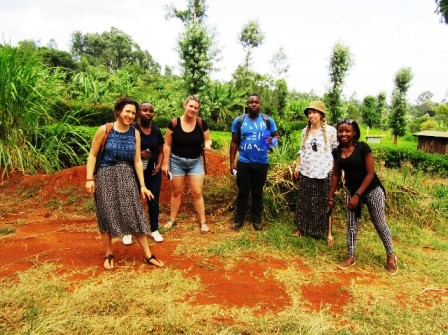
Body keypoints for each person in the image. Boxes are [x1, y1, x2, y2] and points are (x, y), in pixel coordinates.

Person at [85, 97, 164, 270]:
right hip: (105, 176)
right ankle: (109, 253)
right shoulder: (105, 129)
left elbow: (136, 160)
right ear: (119, 111)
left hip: (127, 176)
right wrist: (89, 179)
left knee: (134, 213)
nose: (130, 115)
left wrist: (142, 185)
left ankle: (148, 255)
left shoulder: (134, 133)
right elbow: (92, 155)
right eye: (127, 111)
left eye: (133, 113)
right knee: (105, 214)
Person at [329, 119, 398, 275]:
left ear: (354, 132)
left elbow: (370, 174)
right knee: (351, 225)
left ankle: (391, 256)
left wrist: (358, 195)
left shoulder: (363, 148)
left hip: (372, 189)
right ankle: (351, 256)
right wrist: (330, 196)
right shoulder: (337, 151)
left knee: (379, 223)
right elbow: (335, 175)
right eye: (341, 131)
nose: (344, 134)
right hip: (352, 191)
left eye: (347, 131)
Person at [161, 95, 212, 233]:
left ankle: (203, 222)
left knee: (197, 192)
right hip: (176, 161)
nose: (193, 109)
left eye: (196, 108)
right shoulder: (174, 123)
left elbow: (208, 139)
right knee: (176, 192)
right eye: (191, 106)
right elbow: (167, 145)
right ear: (185, 105)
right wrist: (165, 164)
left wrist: (207, 144)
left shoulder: (201, 123)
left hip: (195, 162)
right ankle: (172, 220)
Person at [229, 94, 279, 231]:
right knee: (243, 192)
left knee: (257, 192)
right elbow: (234, 142)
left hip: (261, 163)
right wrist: (232, 163)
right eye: (251, 102)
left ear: (260, 104)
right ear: (247, 104)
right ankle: (239, 220)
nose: (254, 104)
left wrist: (272, 141)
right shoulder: (239, 121)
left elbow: (275, 137)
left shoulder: (267, 121)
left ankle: (257, 220)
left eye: (256, 102)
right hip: (244, 162)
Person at [293, 101, 338, 244]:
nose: (311, 115)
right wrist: (297, 166)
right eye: (309, 113)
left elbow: (336, 151)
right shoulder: (304, 131)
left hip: (324, 171)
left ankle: (328, 233)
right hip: (306, 170)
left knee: (325, 202)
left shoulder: (331, 131)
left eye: (314, 112)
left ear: (321, 115)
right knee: (304, 201)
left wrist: (339, 170)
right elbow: (302, 150)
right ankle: (301, 228)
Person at [122, 102, 164, 245]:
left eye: (151, 111)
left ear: (153, 114)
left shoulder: (156, 131)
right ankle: (128, 231)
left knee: (154, 200)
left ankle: (154, 229)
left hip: (153, 172)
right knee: (131, 200)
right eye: (145, 110)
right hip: (134, 171)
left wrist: (159, 165)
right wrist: (138, 154)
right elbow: (124, 150)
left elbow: (160, 151)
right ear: (139, 112)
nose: (148, 113)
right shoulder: (131, 128)